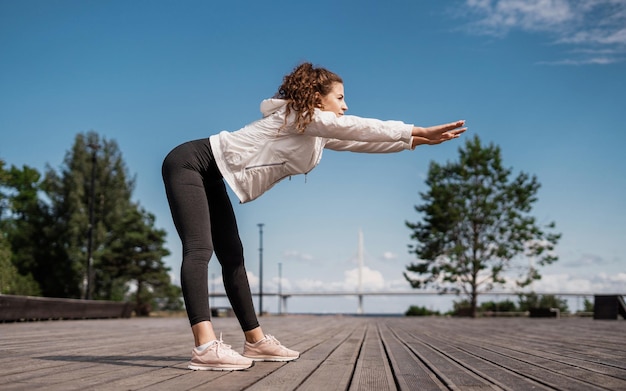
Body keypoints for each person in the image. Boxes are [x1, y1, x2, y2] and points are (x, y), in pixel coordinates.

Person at [161, 62, 466, 371]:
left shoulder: (313, 130)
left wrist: (413, 141)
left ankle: (255, 342)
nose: (346, 106)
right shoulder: (296, 116)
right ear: (318, 99)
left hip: (211, 175)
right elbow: (357, 127)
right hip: (187, 164)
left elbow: (359, 142)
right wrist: (415, 129)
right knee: (200, 249)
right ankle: (204, 345)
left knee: (234, 257)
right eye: (340, 97)